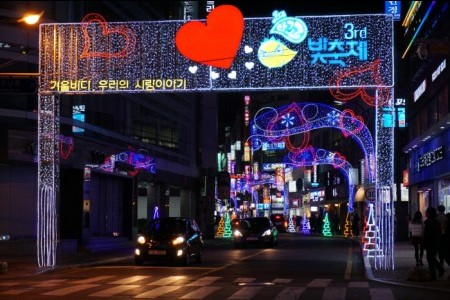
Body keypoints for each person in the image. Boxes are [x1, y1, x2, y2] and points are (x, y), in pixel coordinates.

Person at [423, 207, 445, 280]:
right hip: (436, 242)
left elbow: (426, 234)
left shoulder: (428, 222)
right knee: (432, 258)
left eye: (426, 212)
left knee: (430, 258)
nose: (425, 213)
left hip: (430, 243)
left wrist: (424, 243)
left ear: (429, 213)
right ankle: (435, 273)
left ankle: (436, 272)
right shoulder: (436, 222)